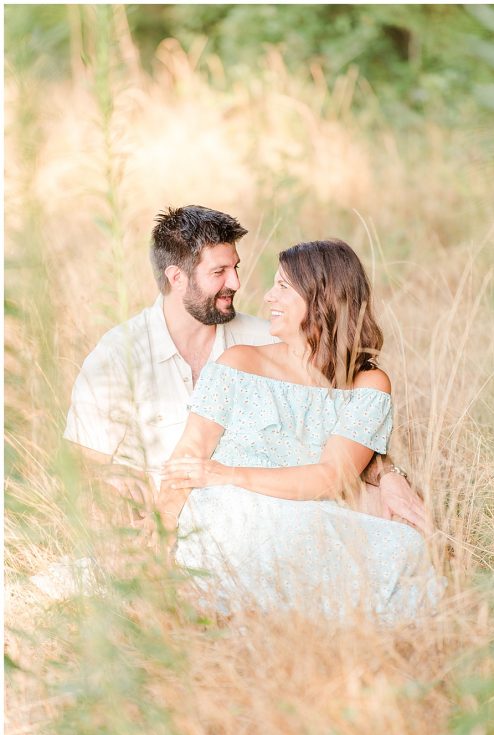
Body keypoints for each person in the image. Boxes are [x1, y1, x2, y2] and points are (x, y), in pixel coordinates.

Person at [63, 205, 427, 531]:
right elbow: (79, 467)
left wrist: (390, 474)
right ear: (177, 278)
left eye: (235, 268)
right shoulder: (117, 356)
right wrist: (116, 490)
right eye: (219, 271)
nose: (236, 283)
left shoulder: (267, 337)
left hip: (276, 507)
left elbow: (333, 427)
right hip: (176, 512)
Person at [155, 239, 440, 622]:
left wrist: (229, 474)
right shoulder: (239, 363)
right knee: (273, 536)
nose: (269, 296)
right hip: (231, 510)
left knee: (405, 548)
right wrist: (160, 534)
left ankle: (299, 628)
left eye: (283, 287)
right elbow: (190, 452)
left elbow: (330, 476)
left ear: (322, 298)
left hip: (303, 512)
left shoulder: (367, 385)